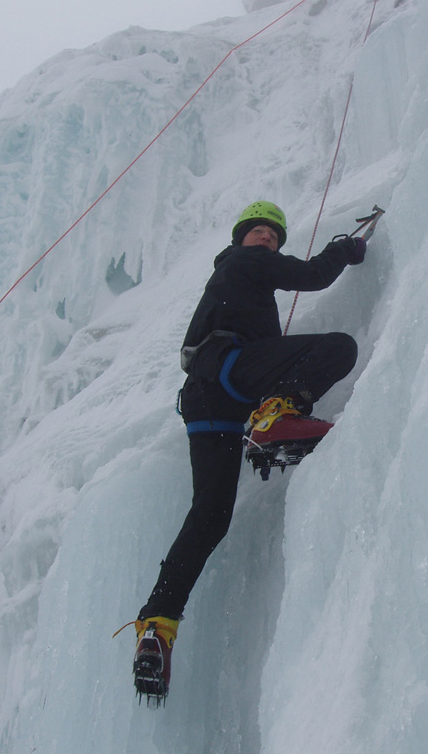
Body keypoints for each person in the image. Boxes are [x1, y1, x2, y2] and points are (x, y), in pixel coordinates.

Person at [132, 200, 366, 700]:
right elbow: (314, 275)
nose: (266, 240)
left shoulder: (231, 277)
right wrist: (343, 249)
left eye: (272, 236)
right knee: (339, 347)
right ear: (241, 239)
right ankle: (275, 417)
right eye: (259, 232)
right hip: (233, 368)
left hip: (204, 395)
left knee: (211, 514)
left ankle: (159, 622)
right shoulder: (242, 261)